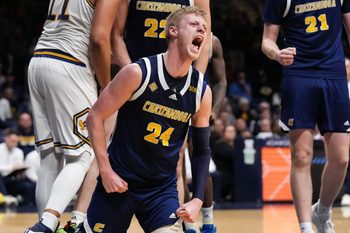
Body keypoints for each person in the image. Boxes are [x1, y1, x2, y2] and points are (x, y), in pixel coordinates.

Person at [81, 6, 212, 233]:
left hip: (160, 191)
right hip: (120, 183)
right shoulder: (138, 72)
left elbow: (200, 149)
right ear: (172, 31)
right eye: (193, 25)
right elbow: (94, 118)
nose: (201, 28)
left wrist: (197, 199)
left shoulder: (201, 90)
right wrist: (105, 171)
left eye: (204, 27)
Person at [23, 0, 121, 232]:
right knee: (83, 155)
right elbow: (98, 39)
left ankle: (44, 225)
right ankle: (47, 223)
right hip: (70, 65)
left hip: (39, 61)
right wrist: (107, 87)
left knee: (50, 156)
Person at [262, 1, 350, 233]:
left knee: (341, 158)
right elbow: (267, 41)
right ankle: (305, 227)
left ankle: (322, 212)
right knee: (301, 155)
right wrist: (277, 53)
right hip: (299, 75)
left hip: (334, 75)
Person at [0, 129, 35, 206]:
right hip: (1, 179)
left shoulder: (19, 151)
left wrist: (21, 171)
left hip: (12, 179)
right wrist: (12, 167)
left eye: (16, 142)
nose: (15, 144)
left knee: (29, 186)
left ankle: (26, 208)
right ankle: (6, 198)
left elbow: (19, 167)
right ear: (6, 138)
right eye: (13, 141)